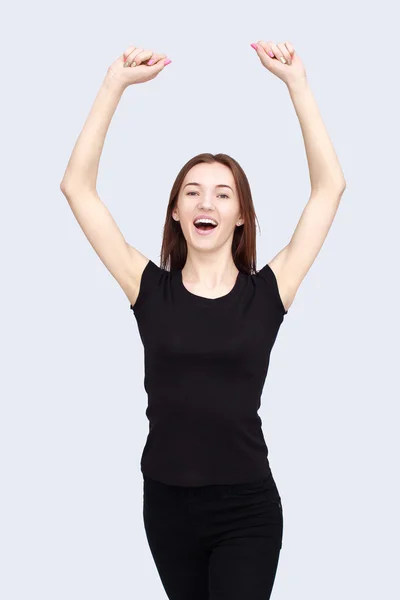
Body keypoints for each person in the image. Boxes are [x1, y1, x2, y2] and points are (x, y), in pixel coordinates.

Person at [60, 41, 346, 600]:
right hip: (166, 505)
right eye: (192, 192)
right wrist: (112, 86)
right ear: (176, 211)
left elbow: (328, 189)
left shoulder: (269, 292)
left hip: (247, 508)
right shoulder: (147, 286)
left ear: (240, 216)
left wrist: (298, 87)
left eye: (222, 193)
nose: (205, 202)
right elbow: (77, 187)